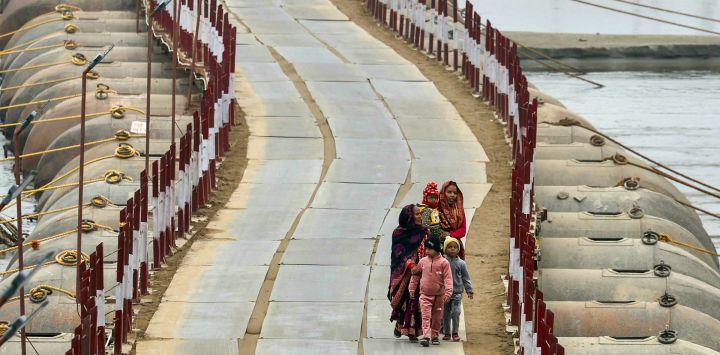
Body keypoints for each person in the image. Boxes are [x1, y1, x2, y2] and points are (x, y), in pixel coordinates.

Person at [388, 204, 430, 342]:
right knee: (406, 299)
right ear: (409, 217)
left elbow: (430, 249)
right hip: (406, 272)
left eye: (420, 214)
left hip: (422, 271)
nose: (420, 216)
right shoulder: (398, 233)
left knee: (419, 299)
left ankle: (414, 330)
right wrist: (410, 264)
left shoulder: (424, 231)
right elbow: (398, 253)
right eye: (417, 214)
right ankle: (401, 325)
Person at [409, 236, 453, 347]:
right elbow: (416, 275)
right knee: (425, 316)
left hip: (439, 296)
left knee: (437, 317)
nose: (427, 251)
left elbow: (448, 279)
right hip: (424, 295)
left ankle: (434, 336)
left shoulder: (444, 263)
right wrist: (412, 288)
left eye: (429, 248)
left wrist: (448, 293)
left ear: (437, 249)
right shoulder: (423, 262)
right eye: (426, 248)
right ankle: (426, 336)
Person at [442, 237, 474, 342]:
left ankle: (455, 332)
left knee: (455, 312)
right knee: (445, 314)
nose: (452, 249)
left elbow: (466, 278)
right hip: (444, 293)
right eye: (450, 247)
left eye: (455, 247)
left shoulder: (461, 263)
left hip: (457, 293)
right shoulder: (442, 261)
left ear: (458, 249)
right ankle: (447, 332)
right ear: (445, 249)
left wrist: (469, 290)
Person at [439, 181, 467, 259]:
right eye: (449, 192)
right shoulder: (437, 207)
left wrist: (450, 235)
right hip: (438, 247)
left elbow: (463, 230)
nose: (452, 195)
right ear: (443, 193)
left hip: (454, 247)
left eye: (455, 193)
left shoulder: (459, 210)